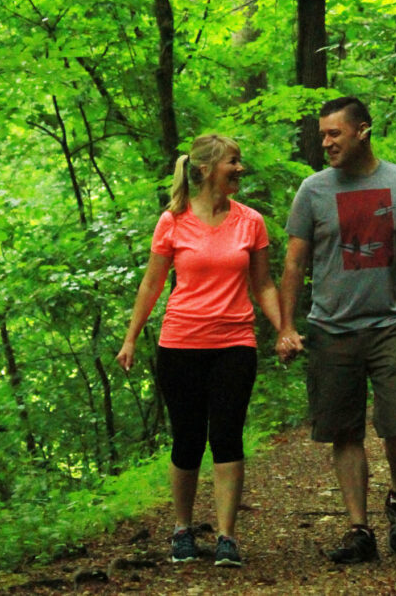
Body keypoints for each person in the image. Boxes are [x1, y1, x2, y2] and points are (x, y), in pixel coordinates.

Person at [275, 96, 396, 564]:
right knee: (343, 430)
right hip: (331, 328)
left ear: (363, 131)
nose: (326, 143)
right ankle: (359, 529)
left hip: (391, 322)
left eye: (334, 133)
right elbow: (293, 262)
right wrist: (285, 325)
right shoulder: (312, 191)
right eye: (322, 135)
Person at [116, 133, 282, 567]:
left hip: (235, 343)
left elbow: (263, 284)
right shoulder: (172, 221)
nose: (240, 169)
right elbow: (152, 283)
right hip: (180, 343)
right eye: (233, 162)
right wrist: (132, 336)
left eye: (240, 161)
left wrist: (284, 328)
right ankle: (182, 530)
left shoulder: (251, 222)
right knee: (187, 439)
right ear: (207, 168)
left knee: (226, 435)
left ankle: (227, 537)